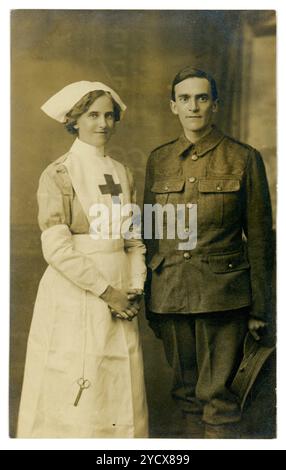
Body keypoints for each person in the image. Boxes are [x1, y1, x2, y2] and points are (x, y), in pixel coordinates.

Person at [143, 67, 273, 439]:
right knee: (185, 396)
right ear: (173, 106)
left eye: (202, 98)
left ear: (215, 104)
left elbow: (262, 239)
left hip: (224, 297)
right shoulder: (160, 159)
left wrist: (260, 309)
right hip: (170, 297)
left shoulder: (243, 158)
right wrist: (153, 297)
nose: (193, 106)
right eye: (185, 98)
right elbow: (152, 234)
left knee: (218, 401)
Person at [17, 81, 148, 438]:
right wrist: (108, 292)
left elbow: (134, 240)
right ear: (74, 120)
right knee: (76, 379)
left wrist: (135, 287)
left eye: (109, 115)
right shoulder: (59, 172)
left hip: (123, 294)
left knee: (118, 384)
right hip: (78, 292)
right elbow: (57, 249)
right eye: (93, 115)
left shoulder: (123, 172)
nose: (102, 123)